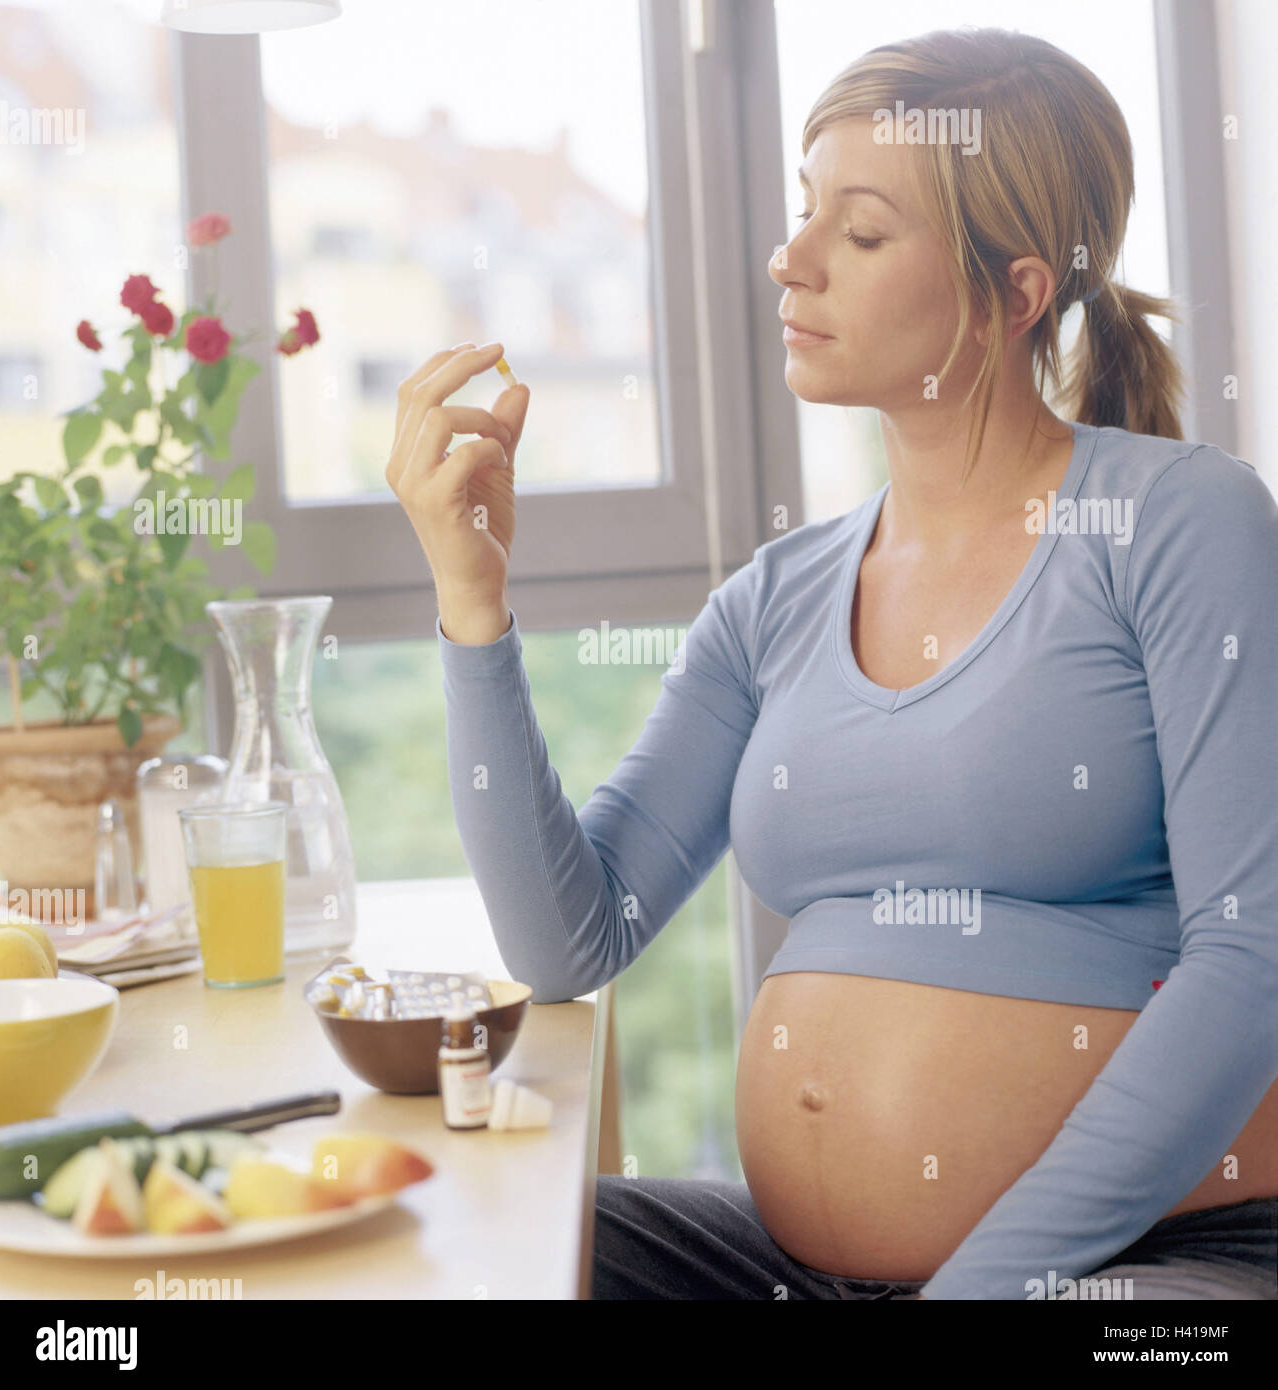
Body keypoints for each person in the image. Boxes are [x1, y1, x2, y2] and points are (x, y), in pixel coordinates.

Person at [385, 28, 1278, 1300]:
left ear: (1014, 292)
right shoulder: (775, 597)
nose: (788, 260)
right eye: (803, 214)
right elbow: (570, 939)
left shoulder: (1180, 521)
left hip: (1148, 1266)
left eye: (857, 233)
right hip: (794, 1271)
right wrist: (470, 600)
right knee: (472, 1258)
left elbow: (1250, 968)